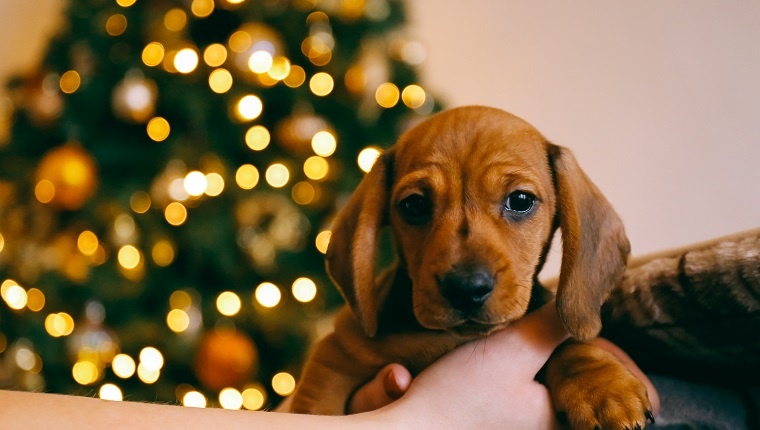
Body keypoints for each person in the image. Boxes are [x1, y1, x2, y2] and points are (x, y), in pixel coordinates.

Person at [0, 303, 658, 429]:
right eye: (416, 207)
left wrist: (584, 366)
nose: (469, 266)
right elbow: (330, 373)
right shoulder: (365, 328)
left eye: (518, 202)